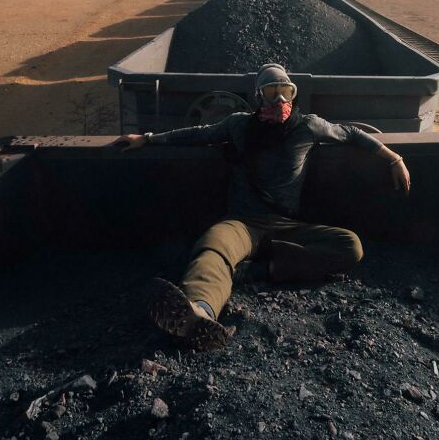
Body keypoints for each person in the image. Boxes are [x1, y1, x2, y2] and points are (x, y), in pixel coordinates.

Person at [114, 63, 411, 350]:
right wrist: (148, 138)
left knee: (350, 245)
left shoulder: (308, 127)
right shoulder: (239, 126)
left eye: (286, 91)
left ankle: (255, 272)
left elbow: (351, 133)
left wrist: (393, 159)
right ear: (258, 96)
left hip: (287, 226)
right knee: (213, 247)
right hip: (242, 223)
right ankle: (199, 312)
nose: (280, 100)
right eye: (271, 92)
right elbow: (197, 134)